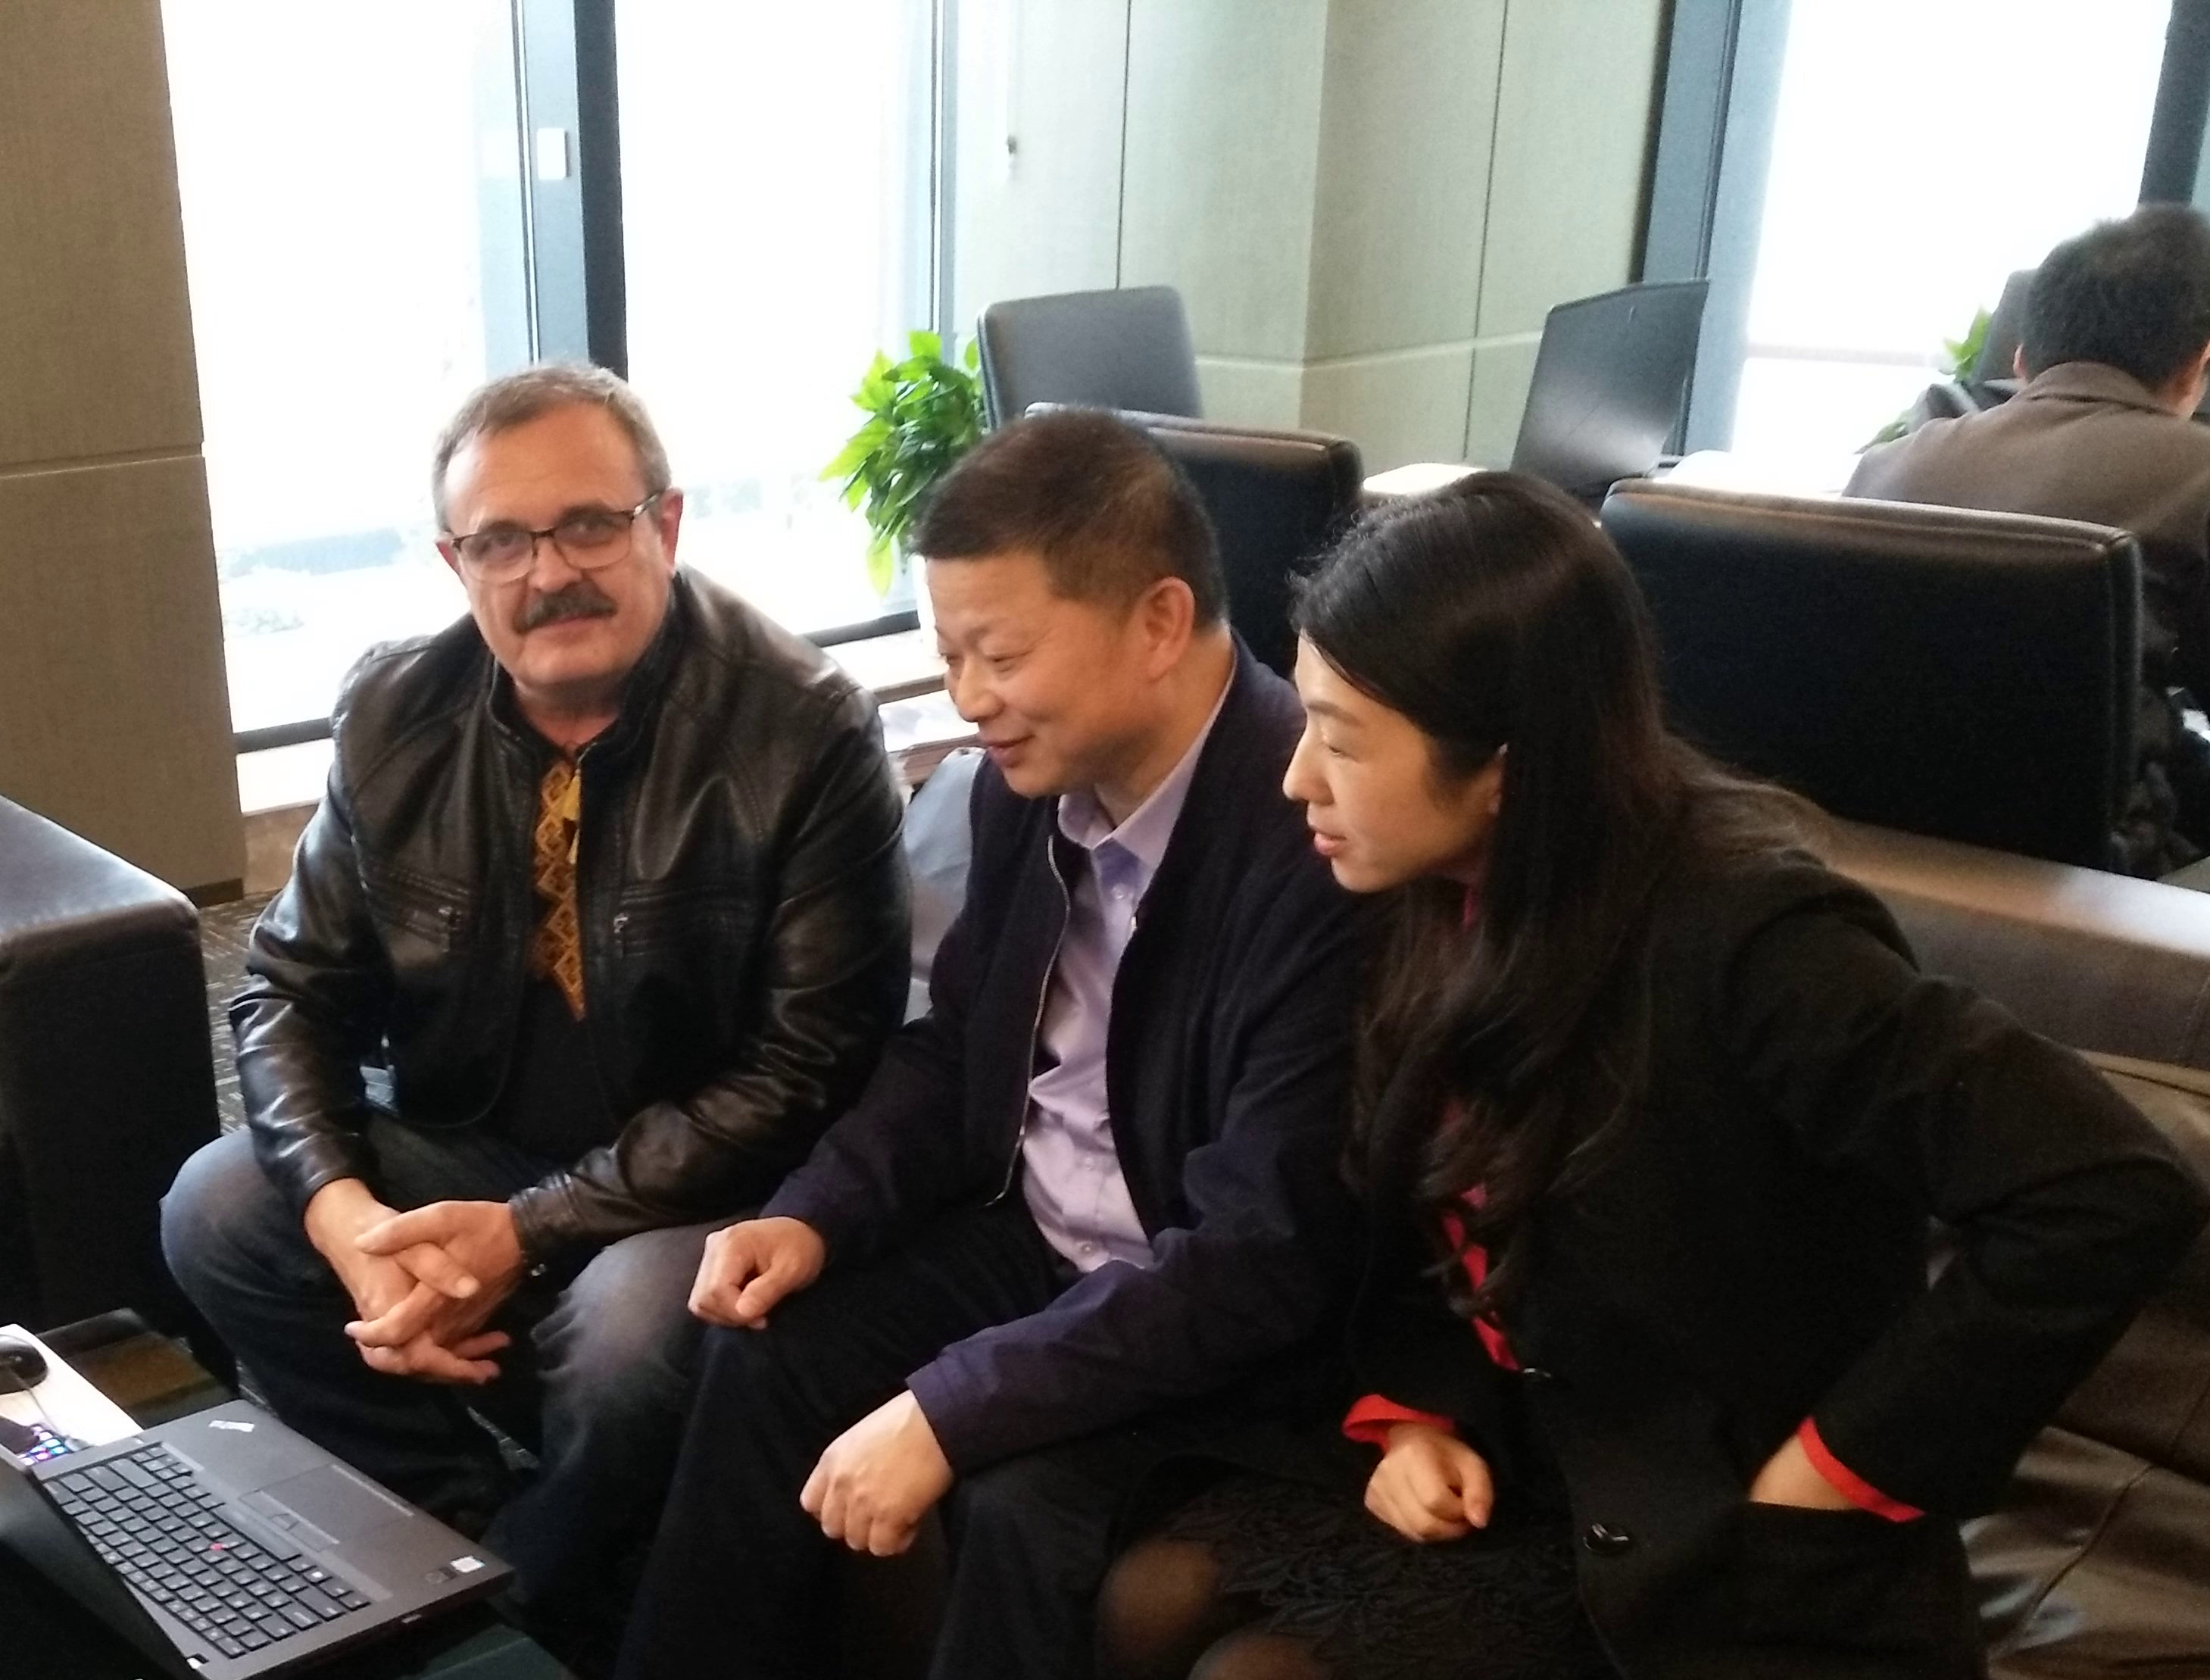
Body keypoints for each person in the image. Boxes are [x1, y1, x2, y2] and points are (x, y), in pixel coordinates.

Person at [1095, 473, 2210, 1680]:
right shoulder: (1436, 896)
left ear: (1505, 766)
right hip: (1542, 1463)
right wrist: (1422, 1411)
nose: (1297, 777)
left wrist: (1838, 1463)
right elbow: (1441, 1216)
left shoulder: (1754, 943)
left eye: (1344, 739)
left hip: (1732, 1530)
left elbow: (2107, 1185)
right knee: (1149, 1596)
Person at [614, 409, 1369, 1680]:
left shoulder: (1311, 836)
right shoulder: (1034, 783)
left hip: (1211, 1316)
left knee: (1018, 1510)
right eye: (949, 654)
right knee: (763, 1351)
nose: (968, 700)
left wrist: (950, 1406)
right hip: (1040, 1244)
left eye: (1000, 654)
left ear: (1158, 621)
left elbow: (1259, 1258)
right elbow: (958, 1043)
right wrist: (812, 1212)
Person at [160, 364, 910, 1632]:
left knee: (627, 1336)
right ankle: (443, 1533)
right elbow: (288, 985)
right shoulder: (395, 710)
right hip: (476, 1138)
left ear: (665, 523)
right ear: (455, 563)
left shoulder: (803, 727)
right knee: (219, 1205)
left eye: (588, 525)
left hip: (703, 1190)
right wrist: (350, 1221)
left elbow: (808, 1068)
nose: (547, 572)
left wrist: (525, 1229)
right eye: (501, 540)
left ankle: (538, 1591)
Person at [1847, 203, 2210, 873]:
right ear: (2196, 368)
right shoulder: (2199, 473)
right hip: (2105, 880)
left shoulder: (1885, 466)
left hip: (1882, 846)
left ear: (2020, 361)